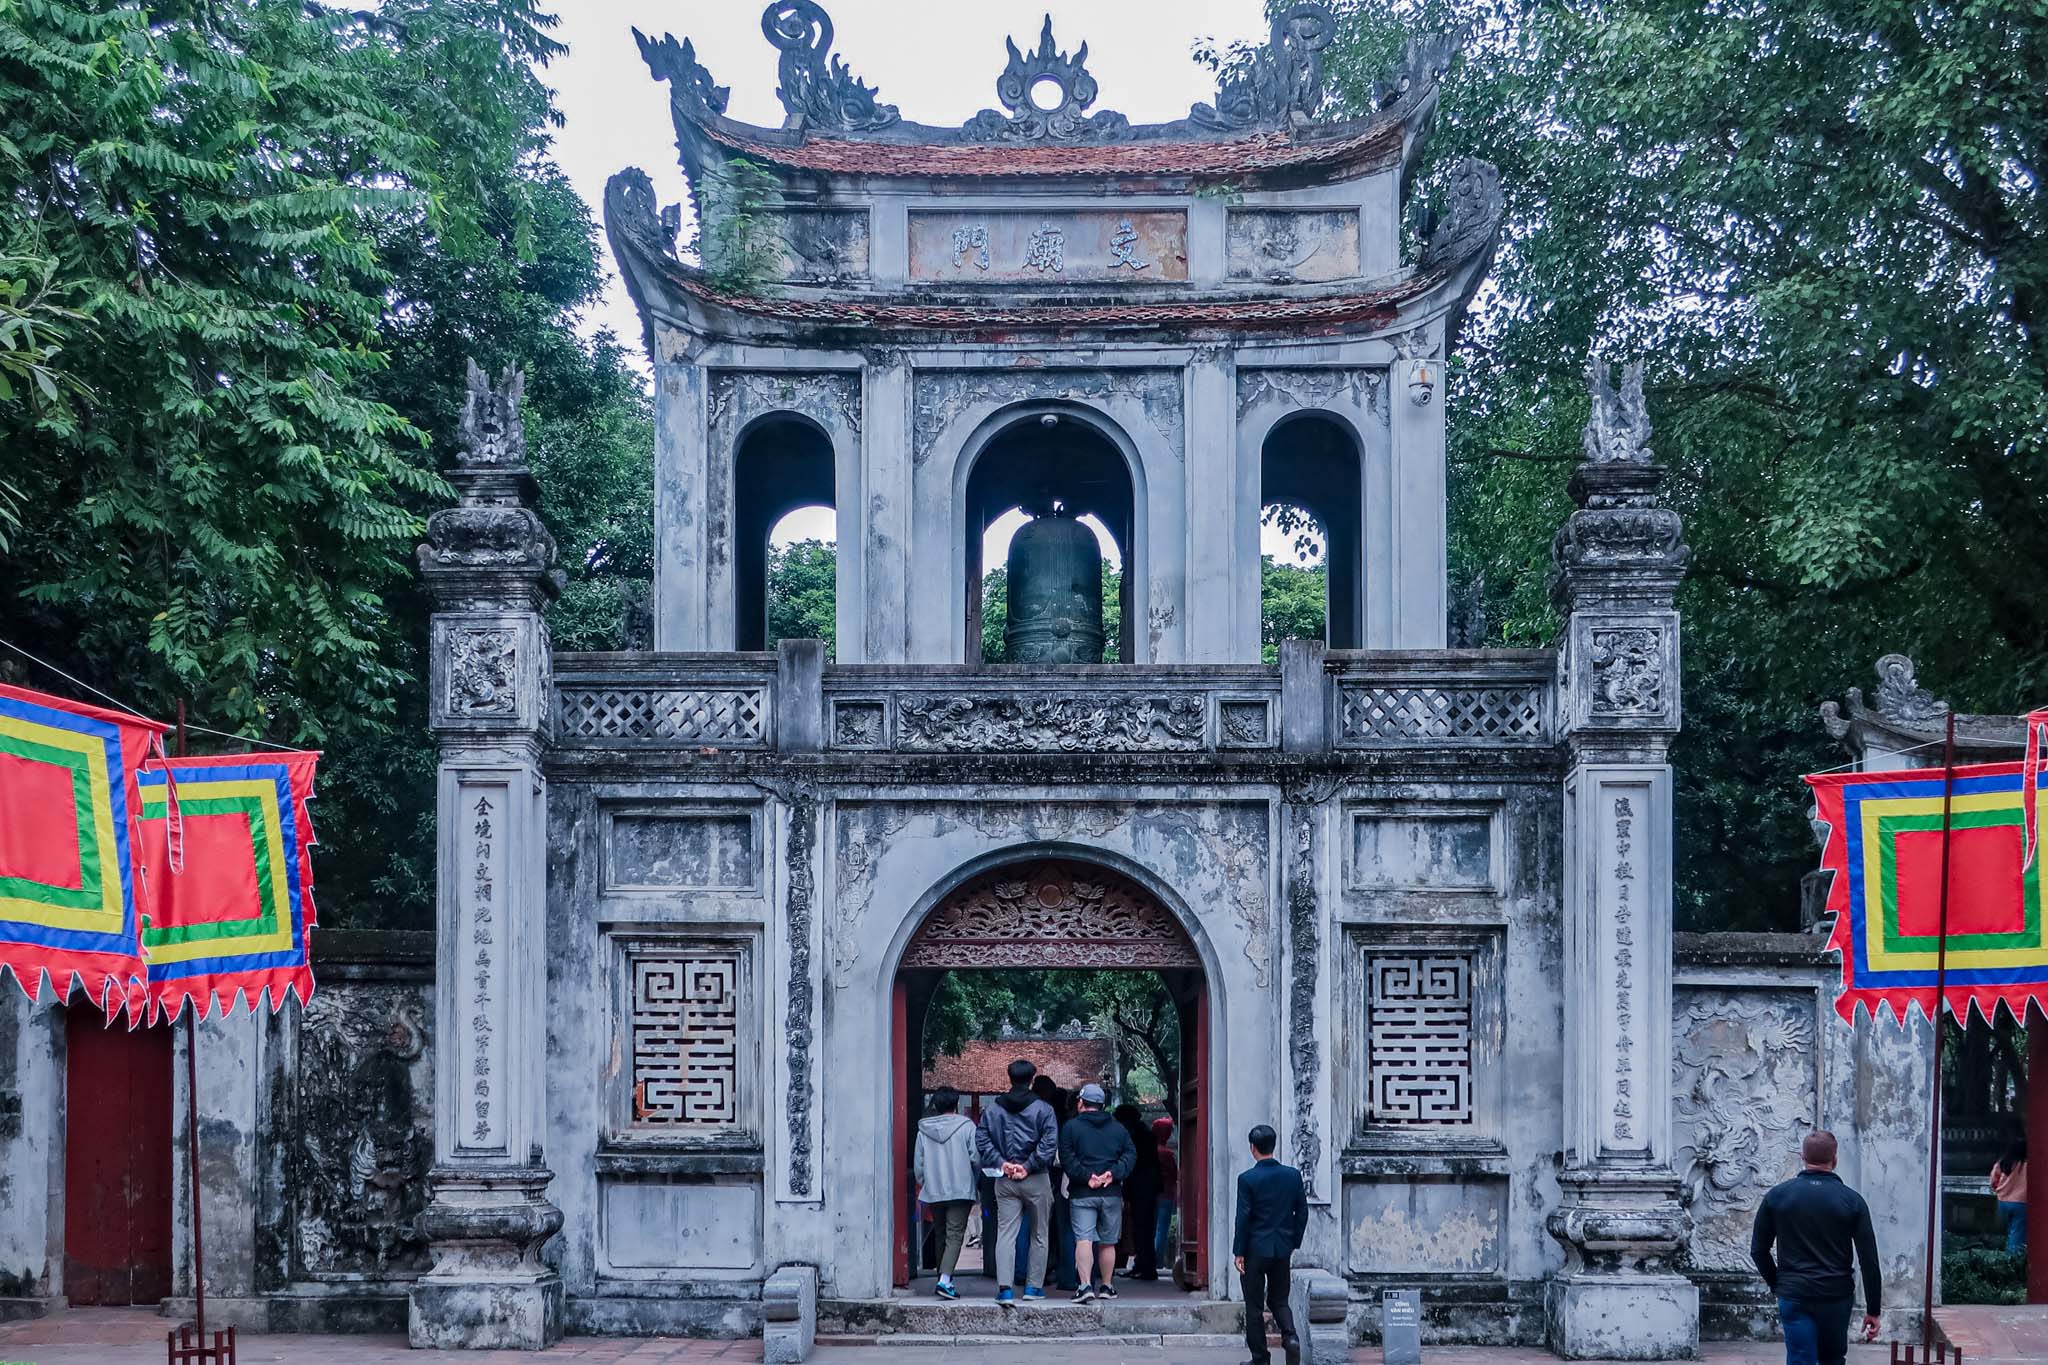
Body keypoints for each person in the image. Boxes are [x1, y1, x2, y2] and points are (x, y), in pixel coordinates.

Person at [1750, 1130, 1882, 1365]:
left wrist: (1778, 1284)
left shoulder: (1777, 1196)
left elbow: (1759, 1251)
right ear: (1835, 1159)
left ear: (1802, 1156)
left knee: (1801, 1359)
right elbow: (1868, 1260)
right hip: (1836, 1294)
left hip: (1795, 1293)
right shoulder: (1852, 1201)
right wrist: (1873, 1310)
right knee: (1833, 1359)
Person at [975, 1058, 1058, 1304]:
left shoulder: (993, 1110)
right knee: (1039, 1234)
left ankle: (1005, 1289)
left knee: (1006, 1234)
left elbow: (982, 1140)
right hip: (1036, 1178)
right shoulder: (1044, 1109)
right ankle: (1033, 1288)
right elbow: (1049, 1143)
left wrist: (1002, 1163)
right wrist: (1029, 1165)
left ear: (1009, 1078)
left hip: (1006, 1179)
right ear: (1032, 1079)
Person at [1234, 1124, 1307, 1365]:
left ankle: (1260, 1358)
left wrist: (1239, 1251)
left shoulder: (1247, 1179)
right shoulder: (1292, 1175)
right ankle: (1291, 1337)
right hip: (1282, 1249)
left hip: (1256, 1249)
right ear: (1273, 1146)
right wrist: (1294, 1240)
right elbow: (1302, 1212)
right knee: (1279, 1300)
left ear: (1252, 1148)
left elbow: (1243, 1217)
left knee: (1254, 1306)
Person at [1058, 1083, 1136, 1302]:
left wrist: (1086, 1177)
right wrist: (1112, 1174)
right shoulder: (1118, 1128)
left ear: (1081, 1102)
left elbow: (1066, 1158)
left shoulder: (1070, 1127)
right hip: (1111, 1193)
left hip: (1083, 1193)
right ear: (1102, 1105)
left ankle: (1084, 1286)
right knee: (1108, 1242)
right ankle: (1107, 1285)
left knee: (1084, 1239)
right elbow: (1130, 1155)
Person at [914, 1086, 979, 1300]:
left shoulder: (924, 1130)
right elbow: (975, 1157)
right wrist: (974, 1180)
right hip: (960, 1189)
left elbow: (919, 1165)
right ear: (956, 1104)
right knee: (955, 1235)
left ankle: (943, 1279)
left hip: (934, 1189)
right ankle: (944, 1279)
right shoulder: (967, 1126)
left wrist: (926, 1183)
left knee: (941, 1234)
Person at [1033, 1074, 1078, 1290]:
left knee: (1040, 1226)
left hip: (1049, 1175)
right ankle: (1077, 1275)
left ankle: (1036, 1273)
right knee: (1076, 1230)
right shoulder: (1068, 1124)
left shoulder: (1044, 1118)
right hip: (1070, 1179)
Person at [1114, 1103, 1163, 1279]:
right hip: (1143, 1187)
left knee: (1144, 1228)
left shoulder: (1141, 1137)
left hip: (1143, 1187)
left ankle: (1147, 1266)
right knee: (1141, 1227)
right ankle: (1142, 1263)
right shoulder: (1142, 1135)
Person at [1990, 1135, 2027, 1257]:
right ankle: (2012, 1260)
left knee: (2011, 1231)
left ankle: (2007, 1254)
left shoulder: (2003, 1163)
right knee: (2017, 1233)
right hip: (2021, 1202)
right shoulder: (2027, 1164)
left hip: (2003, 1202)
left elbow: (1993, 1182)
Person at [1152, 1116, 1179, 1277]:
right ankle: (1158, 1260)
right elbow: (1174, 1173)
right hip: (1166, 1194)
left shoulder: (1150, 1151)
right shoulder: (1166, 1154)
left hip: (1152, 1194)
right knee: (1161, 1229)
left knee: (1151, 1228)